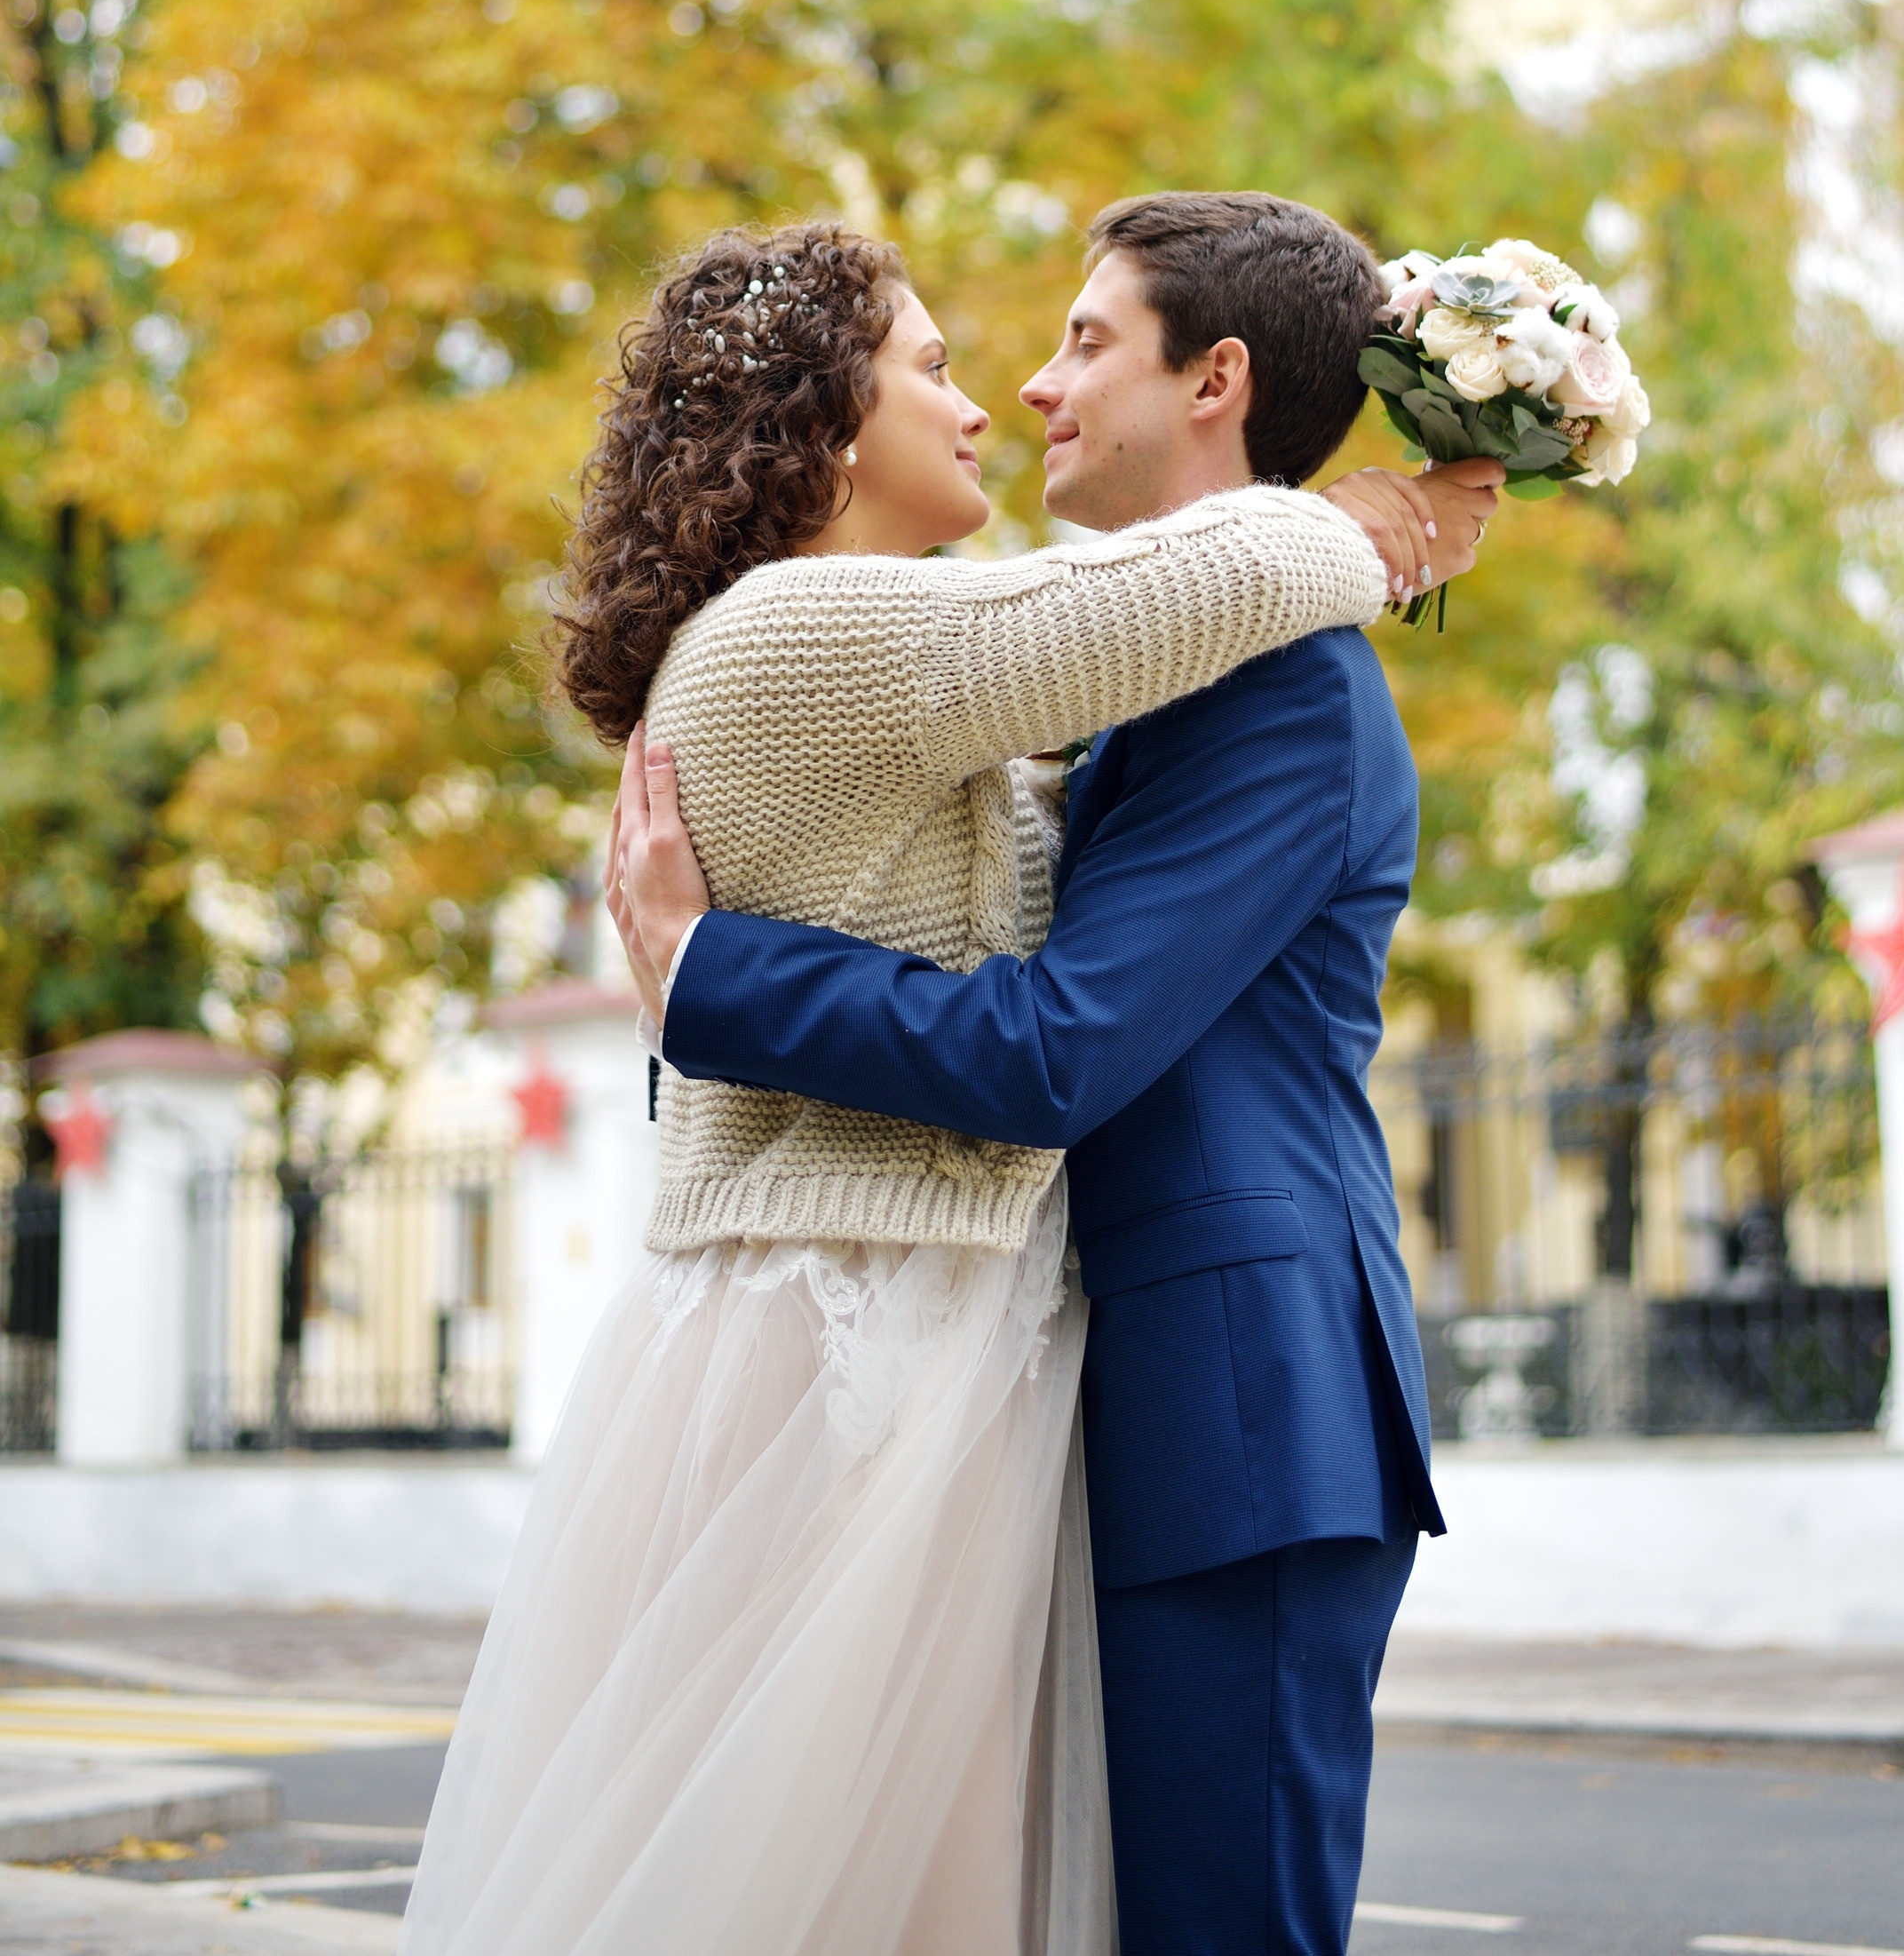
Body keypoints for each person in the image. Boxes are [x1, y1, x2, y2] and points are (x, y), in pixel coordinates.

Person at [402, 211, 1488, 1956]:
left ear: (1213, 379)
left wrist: (709, 975)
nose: (1022, 387)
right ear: (820, 424)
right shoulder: (929, 643)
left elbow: (1050, 1044)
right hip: (988, 1371)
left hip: (1234, 1402)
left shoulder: (1266, 677)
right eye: (946, 361)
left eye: (1082, 339)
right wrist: (1359, 521)